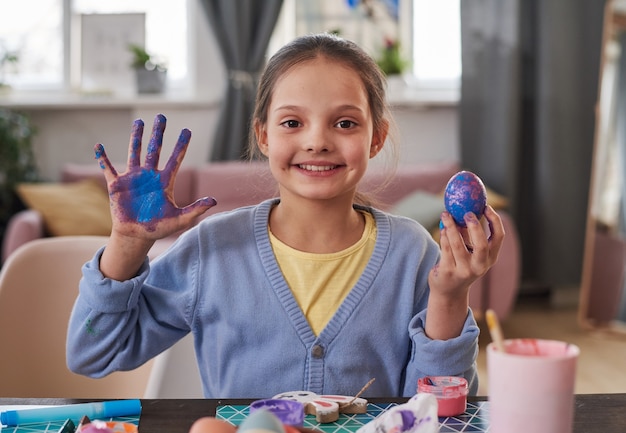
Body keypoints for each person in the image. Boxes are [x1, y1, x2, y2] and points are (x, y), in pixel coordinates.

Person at [66, 33, 504, 398]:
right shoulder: (212, 249)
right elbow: (93, 353)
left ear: (376, 138)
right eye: (292, 123)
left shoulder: (413, 254)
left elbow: (436, 412)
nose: (317, 141)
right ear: (263, 136)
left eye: (345, 123)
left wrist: (449, 296)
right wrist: (126, 244)